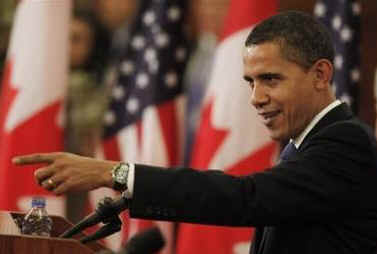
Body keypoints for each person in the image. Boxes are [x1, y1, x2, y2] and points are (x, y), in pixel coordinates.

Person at [12, 11, 377, 254]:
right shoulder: (306, 145)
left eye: (271, 79)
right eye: (250, 82)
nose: (256, 98)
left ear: (321, 74)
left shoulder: (345, 144)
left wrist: (115, 173)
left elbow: (245, 197)